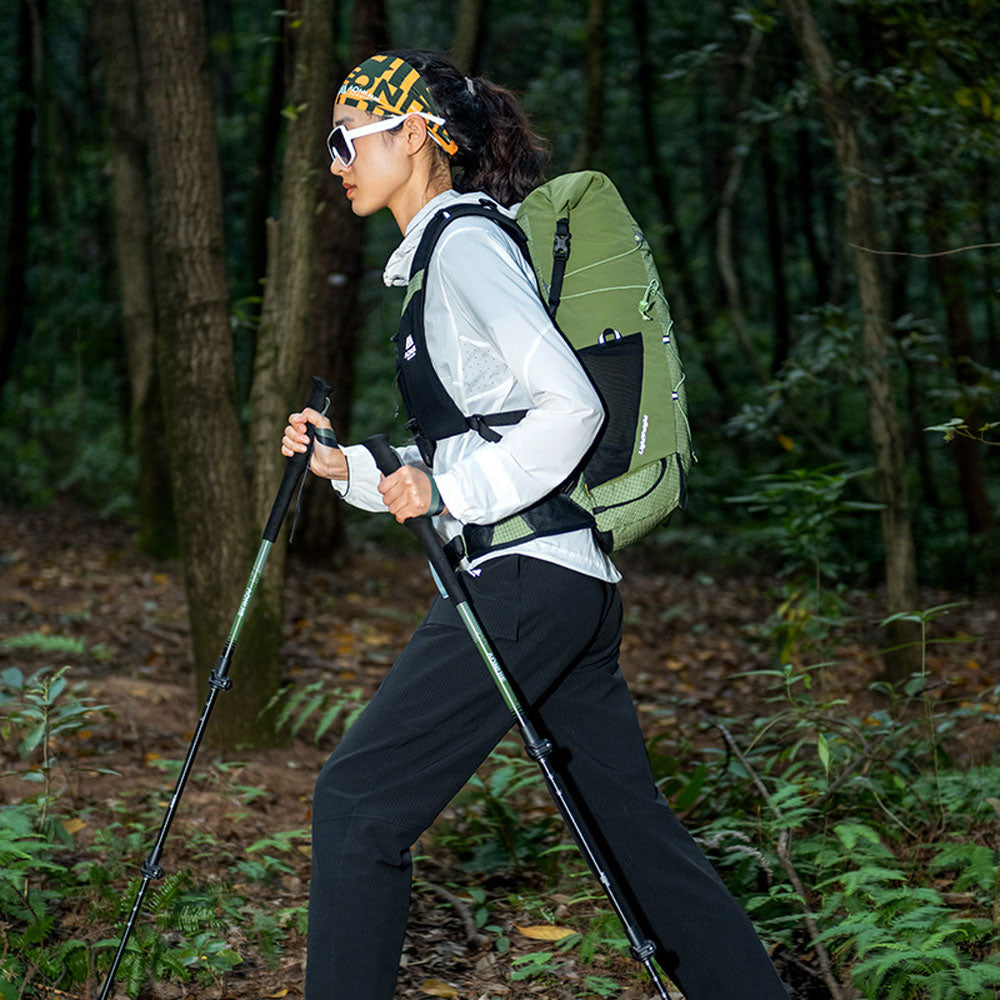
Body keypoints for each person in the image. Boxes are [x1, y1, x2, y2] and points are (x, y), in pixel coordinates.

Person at [281, 50, 787, 1000]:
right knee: (635, 841)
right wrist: (355, 469)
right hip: (564, 582)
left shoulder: (464, 247)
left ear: (416, 134)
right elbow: (488, 433)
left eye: (347, 139)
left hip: (521, 581)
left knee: (356, 804)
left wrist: (455, 493)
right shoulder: (449, 253)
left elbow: (571, 407)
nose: (334, 161)